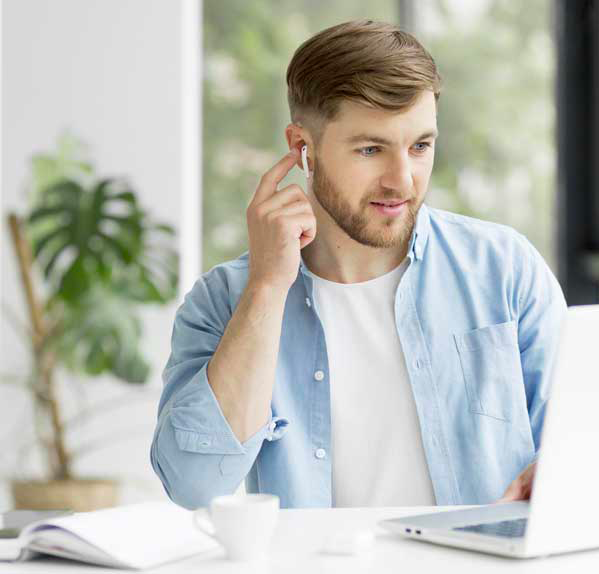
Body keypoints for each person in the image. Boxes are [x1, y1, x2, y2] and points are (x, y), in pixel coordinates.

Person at [151, 19, 566, 510]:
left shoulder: (505, 271)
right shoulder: (226, 299)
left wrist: (561, 475)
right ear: (302, 147)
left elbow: (584, 446)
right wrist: (266, 287)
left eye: (420, 147)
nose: (403, 181)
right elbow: (193, 486)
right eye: (371, 149)